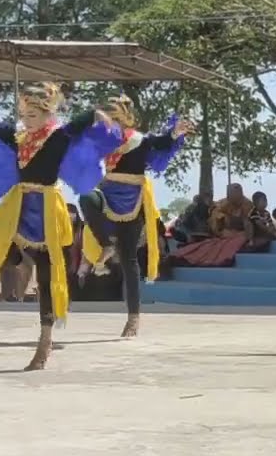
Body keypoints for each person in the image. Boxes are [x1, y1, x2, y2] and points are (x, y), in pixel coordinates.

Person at [0, 82, 122, 370]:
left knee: (47, 277)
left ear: (47, 113)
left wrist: (96, 114)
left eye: (33, 115)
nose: (26, 120)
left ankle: (45, 339)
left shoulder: (57, 137)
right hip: (20, 204)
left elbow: (78, 124)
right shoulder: (18, 136)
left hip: (48, 210)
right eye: (23, 114)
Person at [77, 95, 192, 338]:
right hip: (106, 194)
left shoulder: (140, 141)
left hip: (132, 200)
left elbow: (162, 141)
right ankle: (106, 245)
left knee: (129, 262)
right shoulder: (102, 143)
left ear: (124, 119)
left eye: (113, 119)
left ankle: (133, 318)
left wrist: (175, 133)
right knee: (86, 197)